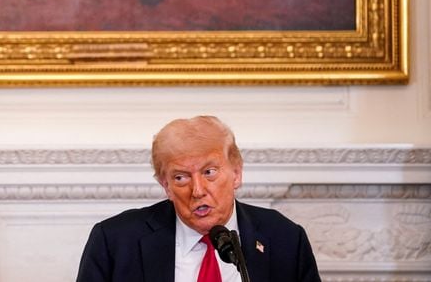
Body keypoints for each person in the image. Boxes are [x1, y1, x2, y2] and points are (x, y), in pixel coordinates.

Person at [75, 115, 321, 281]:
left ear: (236, 173)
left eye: (209, 172)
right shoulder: (115, 241)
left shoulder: (285, 239)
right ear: (166, 186)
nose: (198, 190)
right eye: (181, 178)